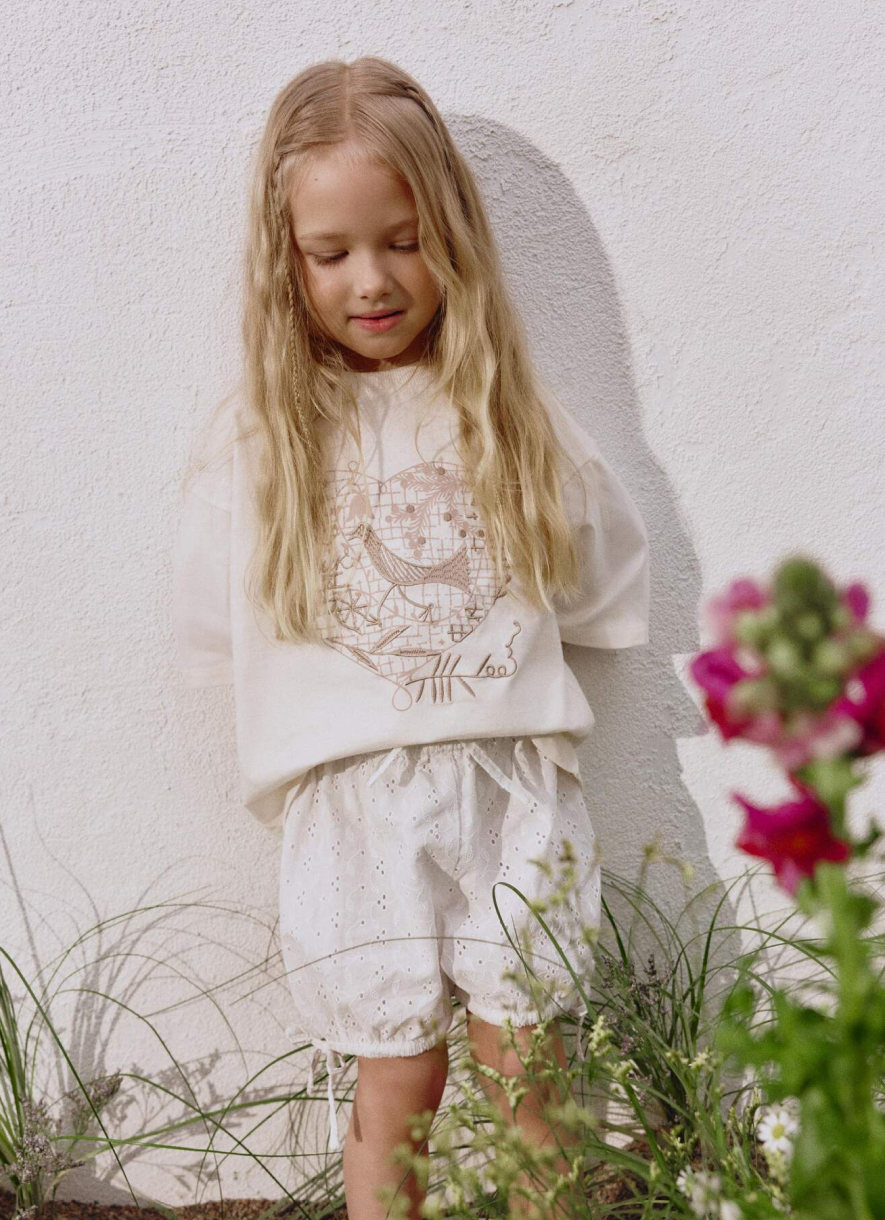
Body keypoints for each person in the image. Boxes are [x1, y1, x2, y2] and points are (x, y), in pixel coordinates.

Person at [171, 55, 650, 1220]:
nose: (373, 280)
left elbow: (602, 585)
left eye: (403, 240)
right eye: (331, 252)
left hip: (510, 788)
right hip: (354, 810)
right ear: (285, 259)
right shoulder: (262, 443)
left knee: (531, 1070)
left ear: (452, 236)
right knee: (396, 1080)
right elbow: (212, 619)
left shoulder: (510, 418)